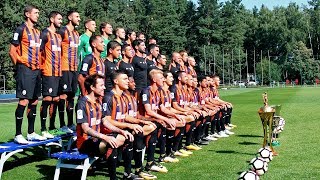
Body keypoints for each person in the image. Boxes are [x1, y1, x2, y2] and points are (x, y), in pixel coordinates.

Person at [76, 73, 132, 180]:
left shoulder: (98, 102)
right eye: (101, 85)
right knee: (112, 142)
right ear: (92, 87)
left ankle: (127, 174)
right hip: (85, 143)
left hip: (96, 139)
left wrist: (121, 131)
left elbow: (105, 122)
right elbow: (85, 128)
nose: (104, 88)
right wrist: (105, 137)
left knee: (127, 137)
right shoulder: (82, 103)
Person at [103, 71, 157, 179]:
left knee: (143, 130)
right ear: (116, 81)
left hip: (122, 130)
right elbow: (108, 121)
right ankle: (133, 170)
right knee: (133, 135)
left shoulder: (123, 97)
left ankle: (133, 171)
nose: (128, 81)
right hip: (110, 132)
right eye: (125, 79)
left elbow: (126, 116)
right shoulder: (109, 97)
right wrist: (130, 126)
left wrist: (141, 122)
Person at [9, 5, 45, 144]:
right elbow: (12, 52)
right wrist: (19, 68)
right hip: (25, 70)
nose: (37, 15)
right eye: (35, 13)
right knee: (23, 100)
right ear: (27, 14)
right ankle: (18, 134)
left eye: (38, 13)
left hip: (36, 71)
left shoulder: (37, 32)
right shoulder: (20, 29)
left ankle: (31, 132)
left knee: (34, 100)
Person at [39, 11, 64, 138]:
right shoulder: (44, 33)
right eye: (59, 19)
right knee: (48, 99)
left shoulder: (59, 36)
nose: (61, 21)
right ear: (51, 19)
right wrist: (41, 67)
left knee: (56, 99)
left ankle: (52, 127)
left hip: (58, 73)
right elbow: (39, 51)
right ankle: (43, 129)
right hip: (48, 71)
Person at [57, 10, 81, 132]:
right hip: (64, 68)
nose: (79, 19)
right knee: (63, 95)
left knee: (71, 96)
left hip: (74, 68)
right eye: (77, 16)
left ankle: (70, 123)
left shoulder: (76, 33)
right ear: (69, 17)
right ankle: (62, 124)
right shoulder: (62, 31)